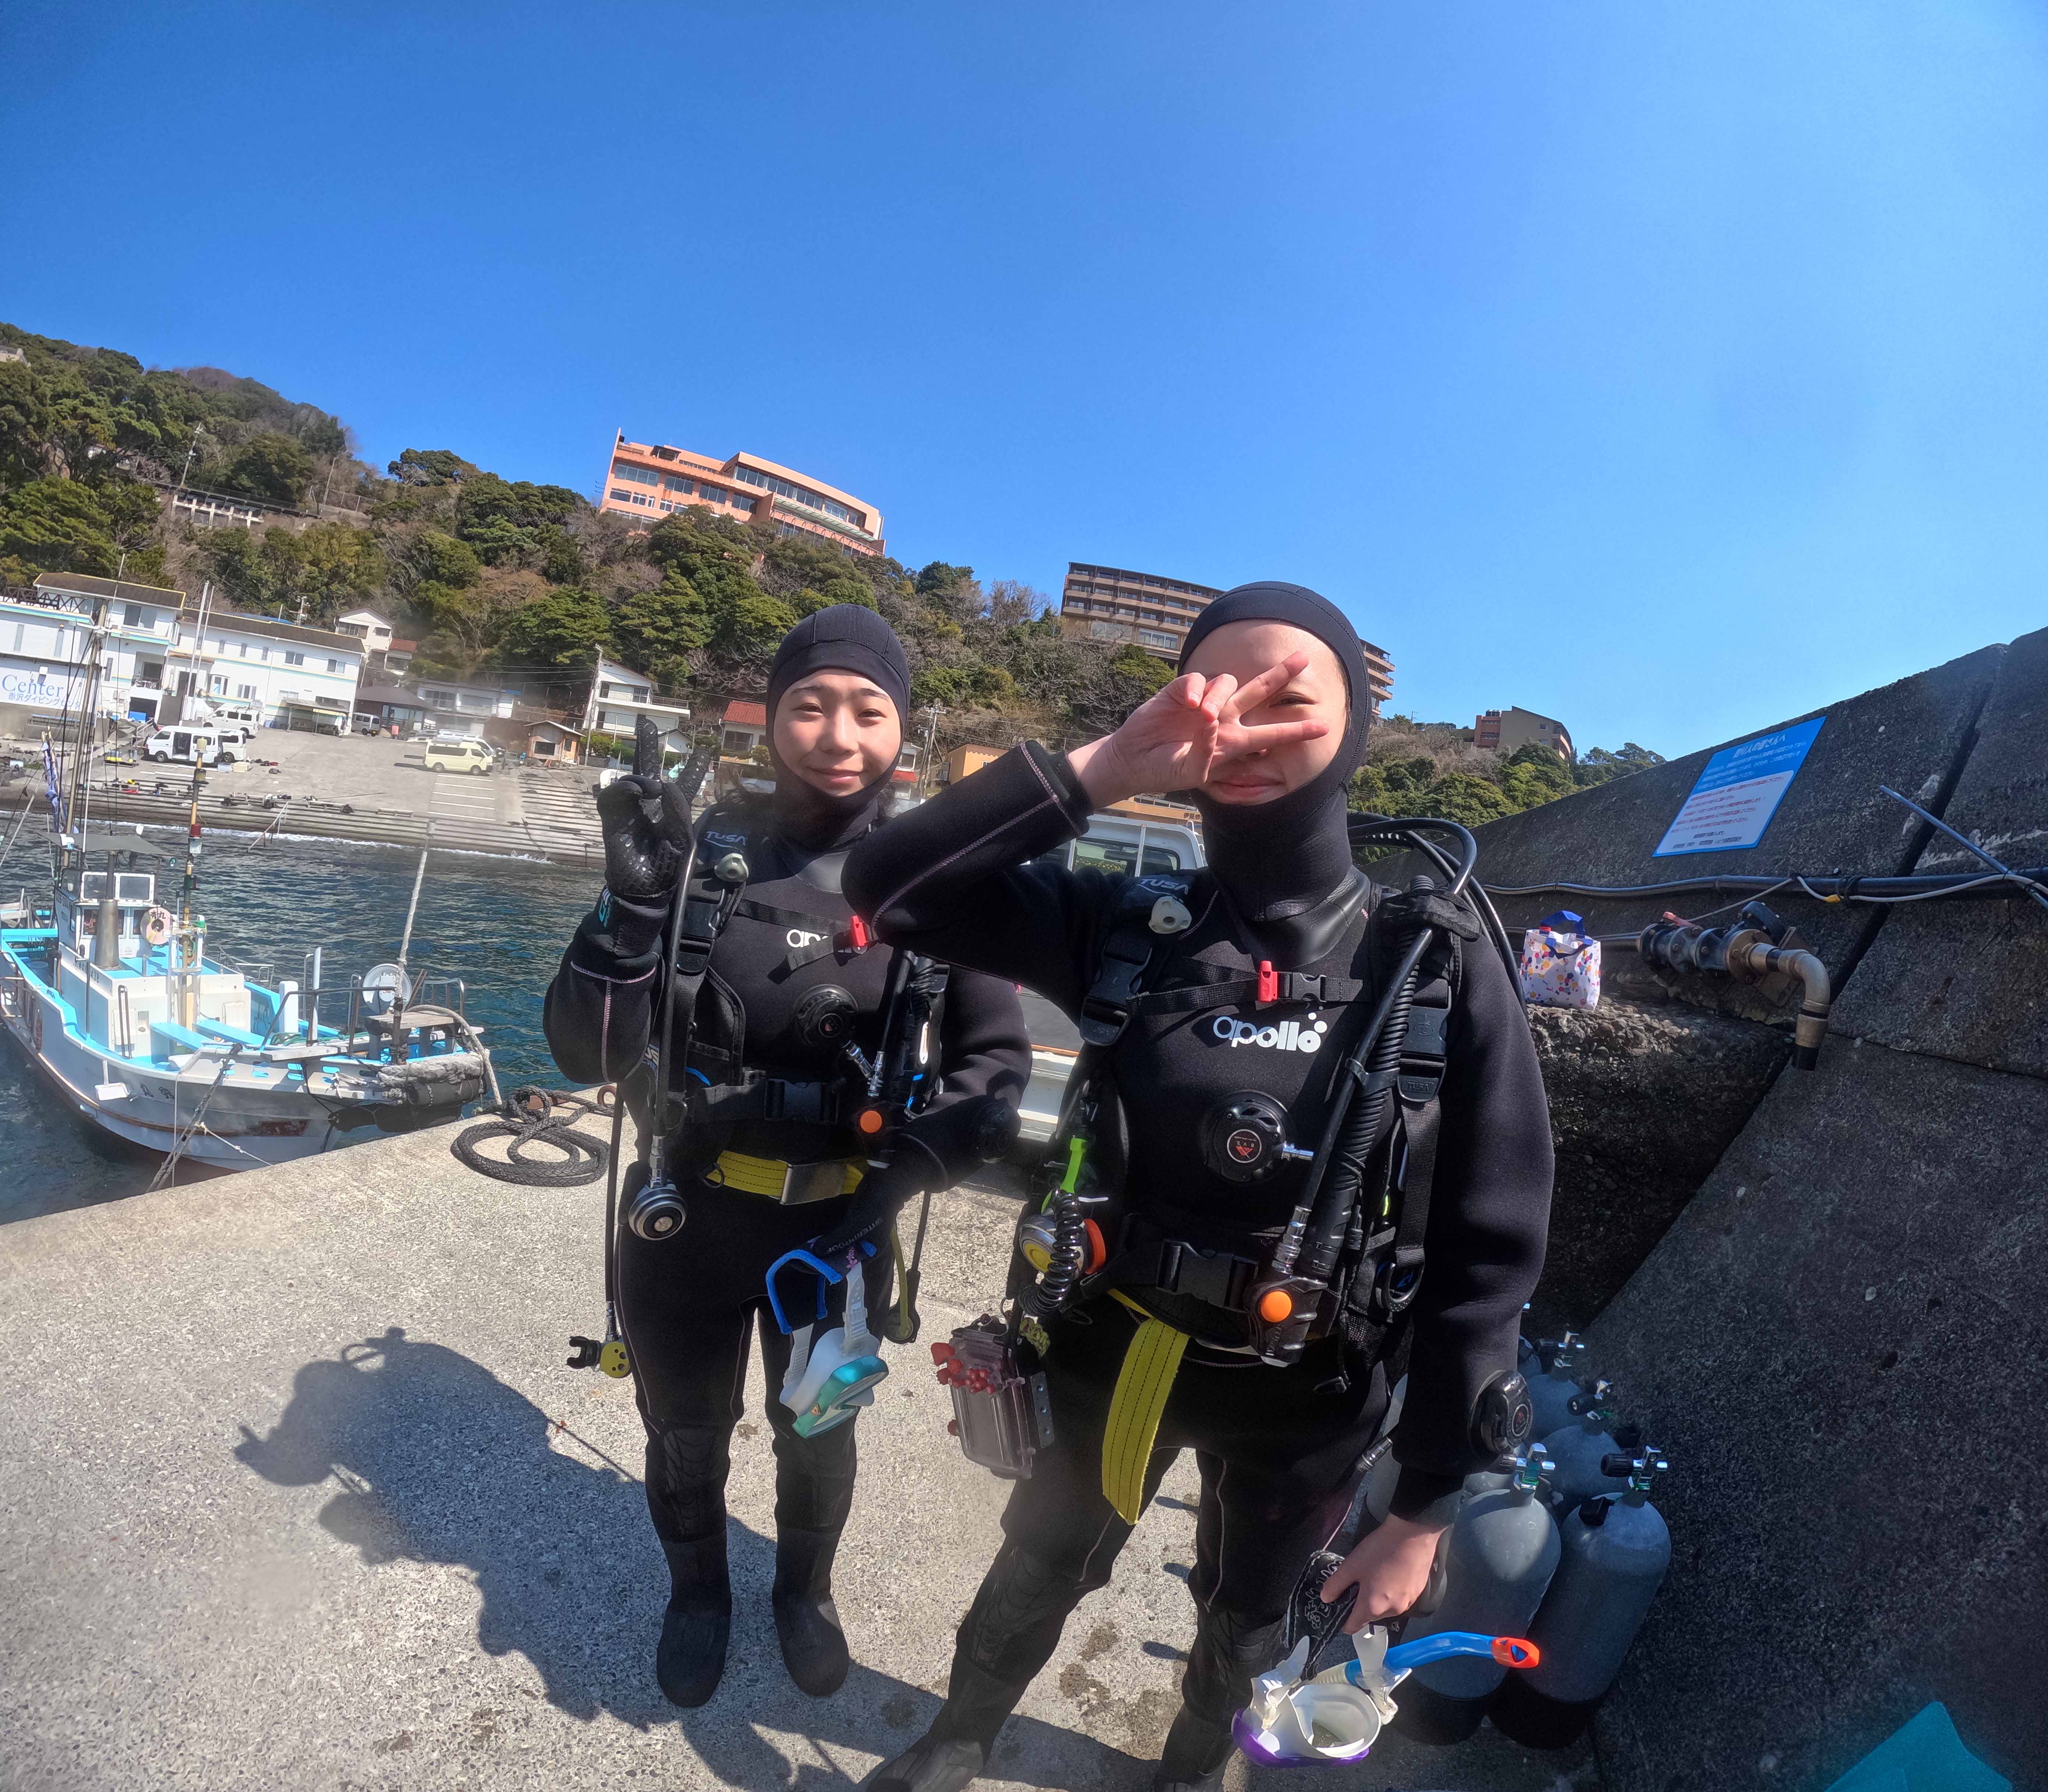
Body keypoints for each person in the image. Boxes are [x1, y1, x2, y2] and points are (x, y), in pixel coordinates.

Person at [843, 583, 1552, 1792]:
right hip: (1113, 1350)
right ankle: (957, 1738)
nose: (1246, 722)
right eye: (1217, 692)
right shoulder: (1126, 924)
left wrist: (1423, 1510)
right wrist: (1112, 768)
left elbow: (1490, 1246)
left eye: (1289, 695)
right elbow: (891, 885)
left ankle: (1185, 1775)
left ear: (1357, 723)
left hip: (1310, 1395)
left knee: (1247, 1621)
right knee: (1037, 1564)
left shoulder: (1432, 960)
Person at [543, 605, 1031, 1709]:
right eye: (810, 706)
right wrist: (629, 909)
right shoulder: (693, 861)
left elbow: (996, 1070)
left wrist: (907, 1171)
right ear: (770, 720)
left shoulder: (936, 888)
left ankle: (803, 1594)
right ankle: (698, 1595)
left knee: (818, 1437)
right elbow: (583, 1053)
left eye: (869, 710)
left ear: (903, 731)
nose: (839, 735)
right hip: (687, 1217)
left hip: (839, 1231)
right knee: (684, 1435)